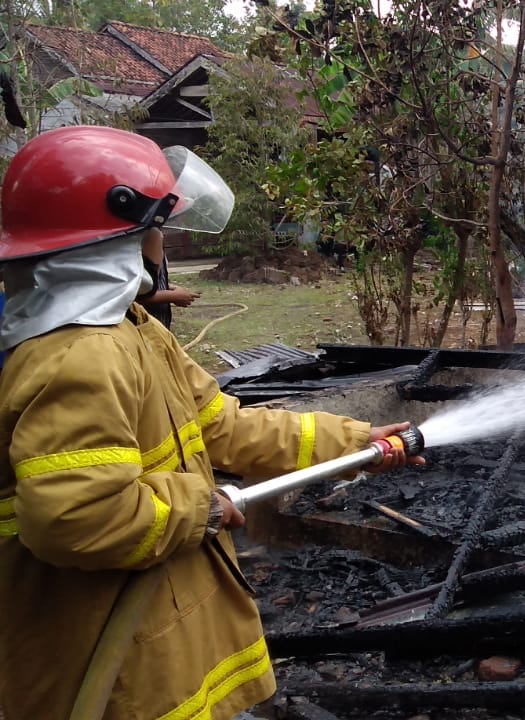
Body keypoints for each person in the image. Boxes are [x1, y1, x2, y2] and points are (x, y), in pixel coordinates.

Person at [0, 125, 425, 720]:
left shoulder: (131, 333)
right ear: (120, 238)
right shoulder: (79, 357)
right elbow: (76, 516)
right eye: (157, 228)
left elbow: (225, 426)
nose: (163, 242)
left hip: (155, 633)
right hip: (107, 658)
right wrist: (204, 505)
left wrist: (357, 440)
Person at [137, 231, 200, 329]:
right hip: (140, 327)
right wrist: (172, 296)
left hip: (158, 325)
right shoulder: (140, 243)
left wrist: (169, 287)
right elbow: (132, 295)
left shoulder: (156, 238)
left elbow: (147, 283)